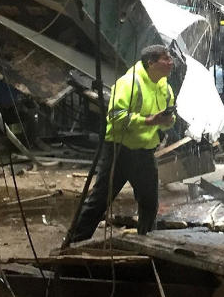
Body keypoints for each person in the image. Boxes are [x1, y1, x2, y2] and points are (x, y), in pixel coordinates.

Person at [68, 44, 177, 243]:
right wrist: (150, 121)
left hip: (144, 151)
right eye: (166, 59)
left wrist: (168, 121)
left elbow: (169, 118)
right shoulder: (129, 83)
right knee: (99, 202)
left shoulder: (165, 87)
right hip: (120, 151)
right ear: (151, 63)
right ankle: (73, 243)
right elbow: (116, 117)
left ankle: (146, 242)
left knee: (149, 203)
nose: (171, 62)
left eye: (171, 58)